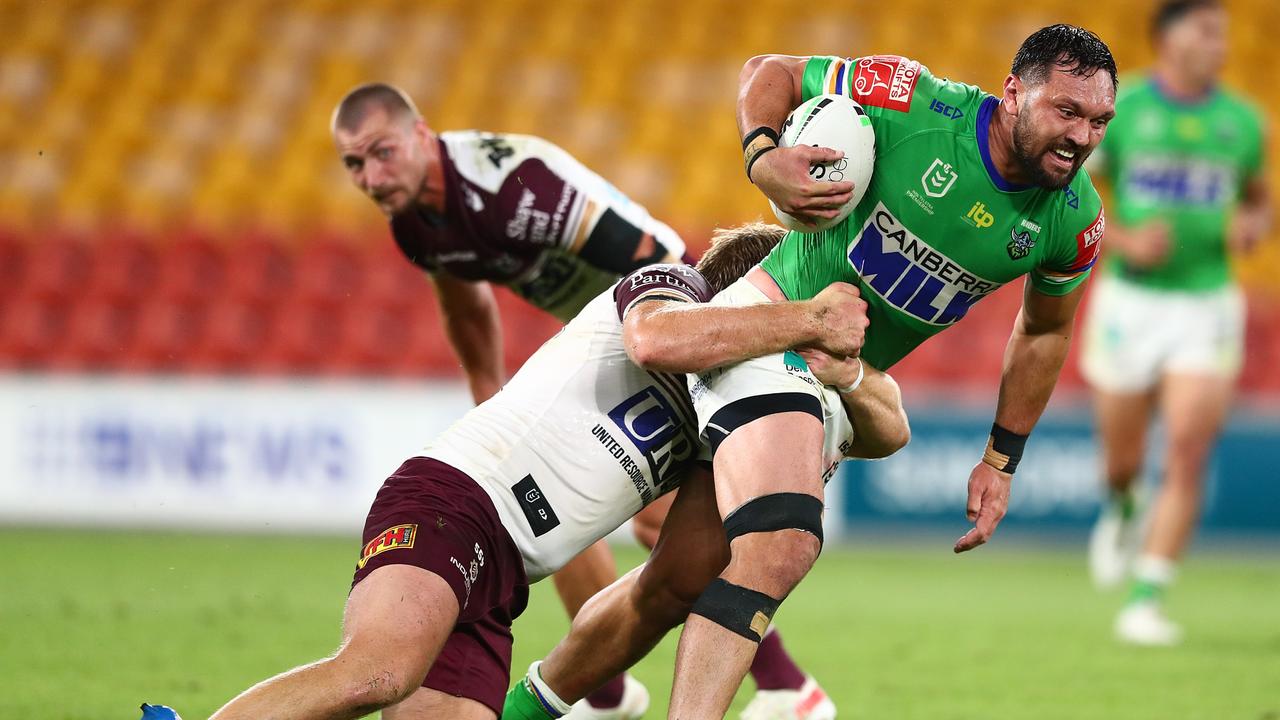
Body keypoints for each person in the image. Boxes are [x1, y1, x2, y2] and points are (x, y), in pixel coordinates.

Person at [200, 224, 909, 720]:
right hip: (454, 504)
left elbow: (888, 430)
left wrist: (841, 370)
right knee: (377, 672)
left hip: (504, 578)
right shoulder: (668, 287)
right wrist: (805, 321)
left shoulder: (727, 398)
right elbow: (656, 340)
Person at [628, 25, 1117, 717]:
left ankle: (560, 697)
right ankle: (785, 693)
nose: (1082, 137)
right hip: (763, 328)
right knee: (774, 541)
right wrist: (764, 159)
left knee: (672, 583)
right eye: (1066, 112)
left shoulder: (1076, 221)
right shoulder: (913, 101)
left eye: (1099, 121)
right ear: (1013, 93)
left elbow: (1042, 332)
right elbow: (773, 70)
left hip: (827, 378)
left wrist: (1000, 462)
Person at [331, 84, 831, 717]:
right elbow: (463, 294)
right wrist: (488, 389)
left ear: (421, 135)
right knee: (545, 495)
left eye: (383, 153)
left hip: (667, 327)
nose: (372, 178)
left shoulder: (514, 189)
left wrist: (696, 345)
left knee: (666, 526)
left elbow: (659, 259)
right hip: (613, 342)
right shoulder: (415, 219)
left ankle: (785, 686)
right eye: (354, 164)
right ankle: (614, 688)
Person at [1082, 0, 1270, 646]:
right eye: (1206, 30)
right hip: (1130, 303)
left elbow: (1257, 196)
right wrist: (1124, 239)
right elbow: (1070, 194)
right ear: (1167, 37)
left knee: (1188, 449)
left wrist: (1255, 223)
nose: (1220, 42)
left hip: (1206, 302)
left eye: (1223, 32)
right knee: (1123, 458)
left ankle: (1146, 596)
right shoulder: (1122, 110)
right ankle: (1121, 503)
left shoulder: (1244, 122)